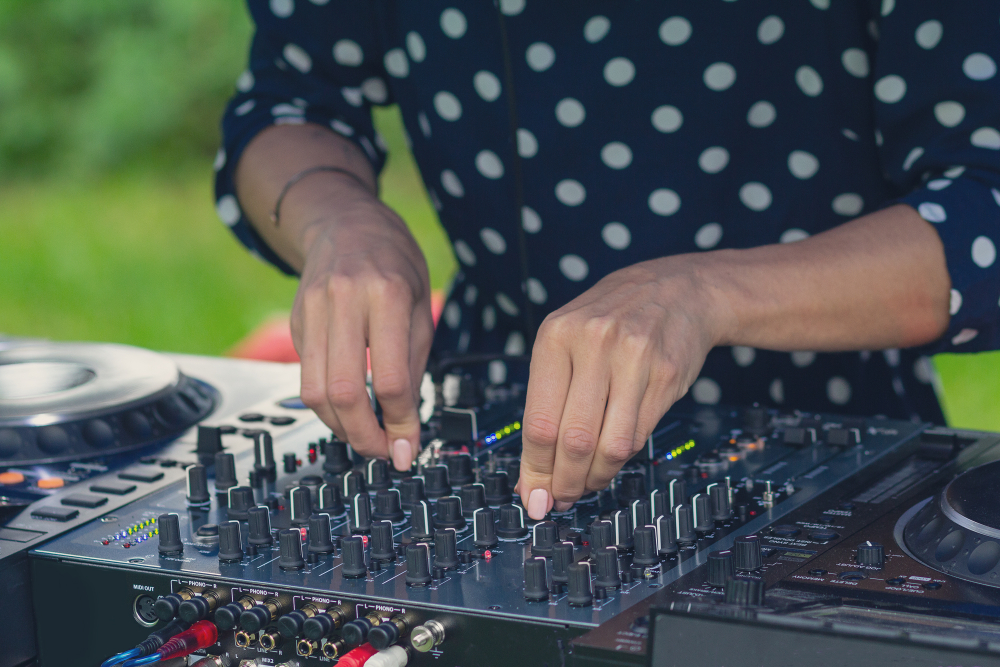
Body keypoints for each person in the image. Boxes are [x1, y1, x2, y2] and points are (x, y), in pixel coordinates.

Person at [215, 1, 1000, 520]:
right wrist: (338, 220)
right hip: (483, 432)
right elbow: (289, 99)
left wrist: (700, 293)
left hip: (836, 450)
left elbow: (982, 207)